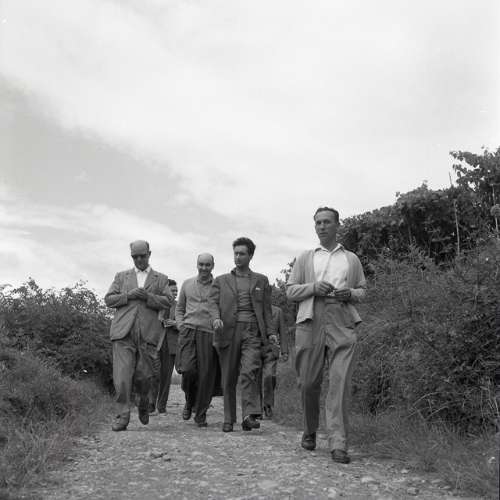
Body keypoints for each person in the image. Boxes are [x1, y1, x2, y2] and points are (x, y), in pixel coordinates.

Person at [286, 207, 366, 464]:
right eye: (318, 222)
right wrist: (313, 287)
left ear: (337, 225)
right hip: (310, 319)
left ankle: (338, 443)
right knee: (308, 383)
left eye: (327, 222)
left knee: (340, 383)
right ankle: (310, 429)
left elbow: (363, 290)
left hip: (342, 318)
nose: (322, 226)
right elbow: (290, 291)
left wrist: (350, 293)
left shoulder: (351, 259)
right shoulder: (305, 257)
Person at [104, 240, 172, 432]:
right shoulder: (121, 276)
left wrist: (148, 297)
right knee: (122, 377)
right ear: (131, 256)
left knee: (144, 377)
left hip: (148, 334)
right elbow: (109, 299)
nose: (139, 259)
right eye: (135, 256)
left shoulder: (161, 278)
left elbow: (168, 301)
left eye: (142, 256)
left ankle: (144, 402)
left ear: (149, 254)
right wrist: (129, 295)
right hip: (123, 332)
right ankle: (123, 416)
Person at [208, 237, 274, 432]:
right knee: (228, 377)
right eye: (235, 253)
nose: (238, 257)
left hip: (252, 331)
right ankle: (229, 418)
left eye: (242, 254)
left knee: (249, 371)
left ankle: (248, 415)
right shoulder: (221, 281)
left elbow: (267, 310)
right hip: (227, 330)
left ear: (250, 255)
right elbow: (212, 303)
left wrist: (271, 332)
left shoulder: (261, 280)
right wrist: (215, 318)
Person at [176, 253, 221, 427]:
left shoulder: (218, 286)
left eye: (207, 265)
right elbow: (179, 308)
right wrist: (180, 324)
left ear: (212, 266)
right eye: (201, 264)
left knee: (206, 376)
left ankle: (200, 414)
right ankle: (190, 401)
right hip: (188, 331)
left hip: (208, 332)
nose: (204, 268)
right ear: (196, 265)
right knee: (187, 370)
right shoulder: (187, 284)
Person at [150, 279, 179, 415]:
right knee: (153, 374)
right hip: (156, 342)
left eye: (176, 291)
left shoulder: (180, 306)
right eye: (172, 290)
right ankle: (150, 405)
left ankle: (161, 406)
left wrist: (175, 323)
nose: (175, 293)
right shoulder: (156, 304)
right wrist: (160, 321)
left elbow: (185, 323)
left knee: (166, 376)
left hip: (171, 344)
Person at [259, 304, 289, 419]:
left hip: (271, 351)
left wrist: (285, 351)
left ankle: (267, 404)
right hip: (255, 348)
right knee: (255, 379)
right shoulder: (255, 309)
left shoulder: (278, 311)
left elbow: (282, 332)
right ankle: (256, 408)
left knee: (269, 376)